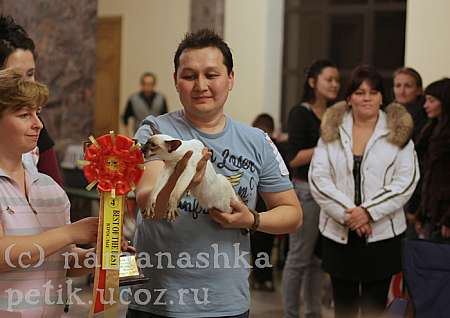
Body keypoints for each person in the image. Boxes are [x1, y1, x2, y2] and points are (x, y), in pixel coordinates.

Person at [127, 29, 302, 318]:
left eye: (212, 74)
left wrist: (251, 219)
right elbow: (148, 202)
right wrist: (181, 178)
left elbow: (292, 214)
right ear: (175, 81)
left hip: (226, 303)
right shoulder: (155, 131)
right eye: (189, 76)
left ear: (230, 79)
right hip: (157, 301)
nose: (201, 86)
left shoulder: (257, 141)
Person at [309, 65, 419, 318]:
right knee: (343, 309)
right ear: (348, 98)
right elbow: (318, 178)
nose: (366, 98)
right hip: (339, 234)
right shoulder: (331, 131)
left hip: (382, 236)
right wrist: (351, 215)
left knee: (374, 308)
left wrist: (367, 212)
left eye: (373, 92)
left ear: (382, 97)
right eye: (359, 92)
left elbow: (406, 181)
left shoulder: (399, 134)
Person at [0, 69, 98, 317]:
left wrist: (96, 257)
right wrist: (70, 232)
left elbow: (61, 259)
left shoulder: (49, 188)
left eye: (37, 113)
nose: (38, 124)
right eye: (24, 115)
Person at [282, 59, 340, 318]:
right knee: (298, 259)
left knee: (317, 261)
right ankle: (292, 314)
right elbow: (293, 158)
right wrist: (327, 147)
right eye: (329, 79)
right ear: (313, 82)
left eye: (337, 80)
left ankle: (313, 313)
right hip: (305, 191)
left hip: (329, 193)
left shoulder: (335, 114)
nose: (335, 84)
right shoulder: (300, 113)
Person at [0, 15, 64, 186]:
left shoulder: (35, 125)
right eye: (16, 77)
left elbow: (54, 188)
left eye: (30, 74)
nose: (28, 85)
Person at [413, 78, 450, 241]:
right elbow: (429, 177)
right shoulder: (431, 132)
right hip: (431, 214)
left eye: (431, 100)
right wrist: (421, 213)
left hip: (444, 217)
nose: (425, 105)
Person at [250, 113, 277, 292]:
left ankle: (262, 276)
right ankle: (264, 277)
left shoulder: (252, 143)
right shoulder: (274, 146)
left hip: (260, 204)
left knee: (260, 245)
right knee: (264, 245)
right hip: (266, 204)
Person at [392, 67, 427, 142]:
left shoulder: (425, 115)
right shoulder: (387, 113)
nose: (402, 91)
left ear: (419, 90)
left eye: (408, 86)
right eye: (398, 86)